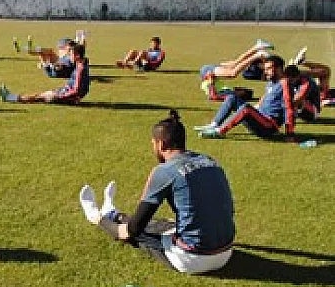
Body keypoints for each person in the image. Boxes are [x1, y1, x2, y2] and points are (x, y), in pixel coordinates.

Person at [79, 110, 235, 274]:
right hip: (226, 253)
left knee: (131, 232)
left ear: (161, 144)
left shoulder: (165, 170)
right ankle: (113, 213)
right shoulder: (210, 161)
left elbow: (134, 229)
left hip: (192, 259)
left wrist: (110, 225)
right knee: (164, 224)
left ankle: (95, 216)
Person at [196, 55, 296, 140]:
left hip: (269, 126)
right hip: (260, 118)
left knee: (246, 108)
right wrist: (256, 107)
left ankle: (219, 132)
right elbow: (266, 97)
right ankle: (214, 125)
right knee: (232, 97)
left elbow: (289, 108)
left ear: (279, 69)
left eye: (269, 69)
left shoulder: (285, 83)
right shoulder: (272, 82)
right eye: (265, 69)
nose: (265, 72)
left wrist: (289, 133)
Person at [0, 44, 90, 104]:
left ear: (77, 56)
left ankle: (9, 97)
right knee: (41, 95)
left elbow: (76, 90)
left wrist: (62, 96)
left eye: (71, 55)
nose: (69, 57)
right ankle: (11, 97)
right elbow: (84, 86)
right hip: (65, 92)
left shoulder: (80, 68)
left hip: (67, 96)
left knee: (39, 97)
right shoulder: (81, 63)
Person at [199, 40, 275, 101]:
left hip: (207, 72)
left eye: (242, 90)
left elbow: (213, 96)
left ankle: (258, 51)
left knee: (233, 69)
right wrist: (211, 82)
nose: (241, 89)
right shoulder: (229, 93)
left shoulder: (229, 95)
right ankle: (257, 51)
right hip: (209, 72)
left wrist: (211, 82)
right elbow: (213, 96)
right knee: (234, 68)